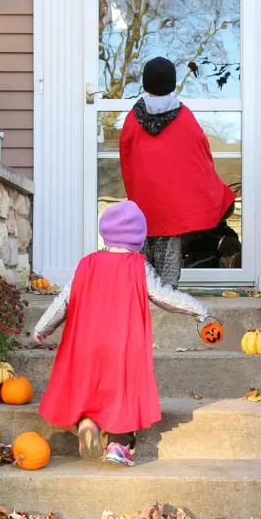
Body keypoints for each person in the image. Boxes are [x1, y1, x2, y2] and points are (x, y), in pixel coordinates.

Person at [32, 200, 208, 467]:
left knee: (88, 385)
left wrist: (41, 329)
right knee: (120, 394)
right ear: (139, 238)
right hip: (122, 345)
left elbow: (63, 301)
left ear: (106, 233)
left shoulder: (87, 263)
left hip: (85, 344)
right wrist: (198, 309)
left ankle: (88, 421)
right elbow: (164, 296)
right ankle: (118, 445)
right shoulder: (138, 266)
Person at [119, 56, 236, 288]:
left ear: (145, 84)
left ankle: (144, 293)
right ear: (172, 84)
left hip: (145, 198)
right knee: (169, 247)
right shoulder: (183, 117)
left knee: (143, 246)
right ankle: (168, 293)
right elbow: (201, 155)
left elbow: (126, 155)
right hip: (172, 203)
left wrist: (135, 189)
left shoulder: (134, 117)